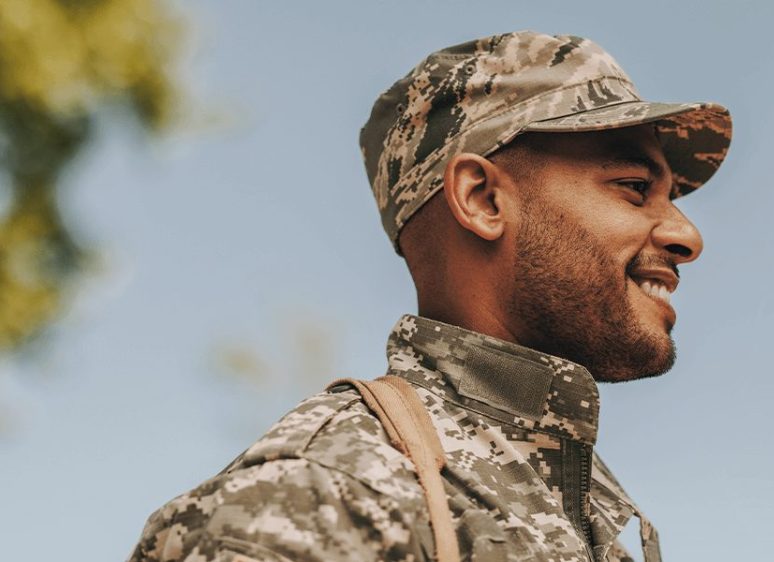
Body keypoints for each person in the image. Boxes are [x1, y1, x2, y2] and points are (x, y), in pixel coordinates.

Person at [128, 31, 732, 562]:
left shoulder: (591, 521)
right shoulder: (328, 498)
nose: (687, 234)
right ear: (482, 199)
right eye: (633, 187)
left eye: (673, 196)